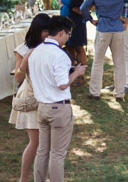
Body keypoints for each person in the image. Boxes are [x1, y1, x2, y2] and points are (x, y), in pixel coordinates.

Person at [29, 15, 86, 182]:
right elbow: (62, 84)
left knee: (42, 151)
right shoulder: (60, 55)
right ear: (61, 32)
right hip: (58, 108)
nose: (69, 37)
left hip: (42, 107)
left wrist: (70, 70)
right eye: (69, 34)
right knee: (57, 154)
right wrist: (77, 72)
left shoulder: (36, 52)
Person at [81, 0, 128, 101]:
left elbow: (83, 8)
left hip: (103, 29)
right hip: (118, 29)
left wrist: (91, 20)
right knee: (119, 62)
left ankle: (95, 92)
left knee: (98, 61)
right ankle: (119, 93)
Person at [9, 13, 52, 182]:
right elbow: (18, 78)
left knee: (45, 143)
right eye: (45, 32)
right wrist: (27, 59)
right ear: (37, 31)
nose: (48, 35)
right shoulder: (23, 49)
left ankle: (43, 177)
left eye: (50, 31)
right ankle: (23, 179)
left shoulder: (51, 47)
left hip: (47, 96)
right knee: (36, 142)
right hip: (31, 95)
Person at [57, 0, 90, 75]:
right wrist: (61, 4)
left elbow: (92, 0)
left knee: (78, 47)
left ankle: (81, 74)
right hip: (64, 20)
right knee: (69, 45)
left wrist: (83, 10)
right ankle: (71, 71)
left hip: (76, 22)